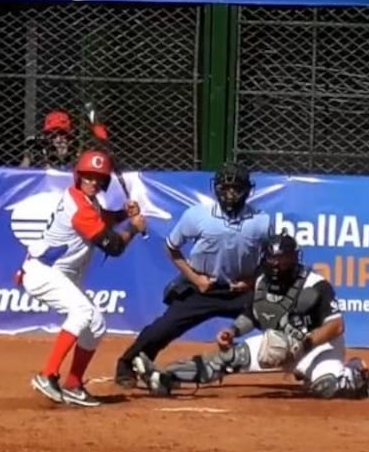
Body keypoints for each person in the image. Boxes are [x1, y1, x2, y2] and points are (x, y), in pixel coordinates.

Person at [138, 232, 369, 400]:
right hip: (276, 345)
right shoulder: (262, 281)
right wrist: (233, 331)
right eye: (273, 259)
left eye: (283, 259)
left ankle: (357, 374)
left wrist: (304, 344)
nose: (277, 264)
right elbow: (253, 313)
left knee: (327, 388)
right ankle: (165, 376)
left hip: (318, 348)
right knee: (229, 357)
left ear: (295, 258)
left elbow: (336, 326)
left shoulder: (315, 285)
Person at [114, 162, 270, 388]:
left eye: (236, 188)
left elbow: (272, 258)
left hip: (241, 290)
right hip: (202, 287)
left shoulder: (261, 221)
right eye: (225, 188)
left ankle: (307, 362)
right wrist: (196, 279)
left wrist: (252, 280)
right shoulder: (197, 215)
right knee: (164, 327)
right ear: (216, 189)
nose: (231, 194)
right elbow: (171, 247)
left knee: (276, 319)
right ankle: (127, 364)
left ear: (247, 191)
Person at [16, 149, 148, 407]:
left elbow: (103, 219)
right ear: (78, 177)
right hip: (43, 271)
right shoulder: (79, 208)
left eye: (98, 178)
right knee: (82, 313)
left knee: (96, 324)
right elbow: (113, 246)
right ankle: (48, 375)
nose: (93, 182)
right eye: (88, 177)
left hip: (59, 274)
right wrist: (133, 227)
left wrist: (123, 214)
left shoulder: (87, 203)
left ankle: (74, 384)